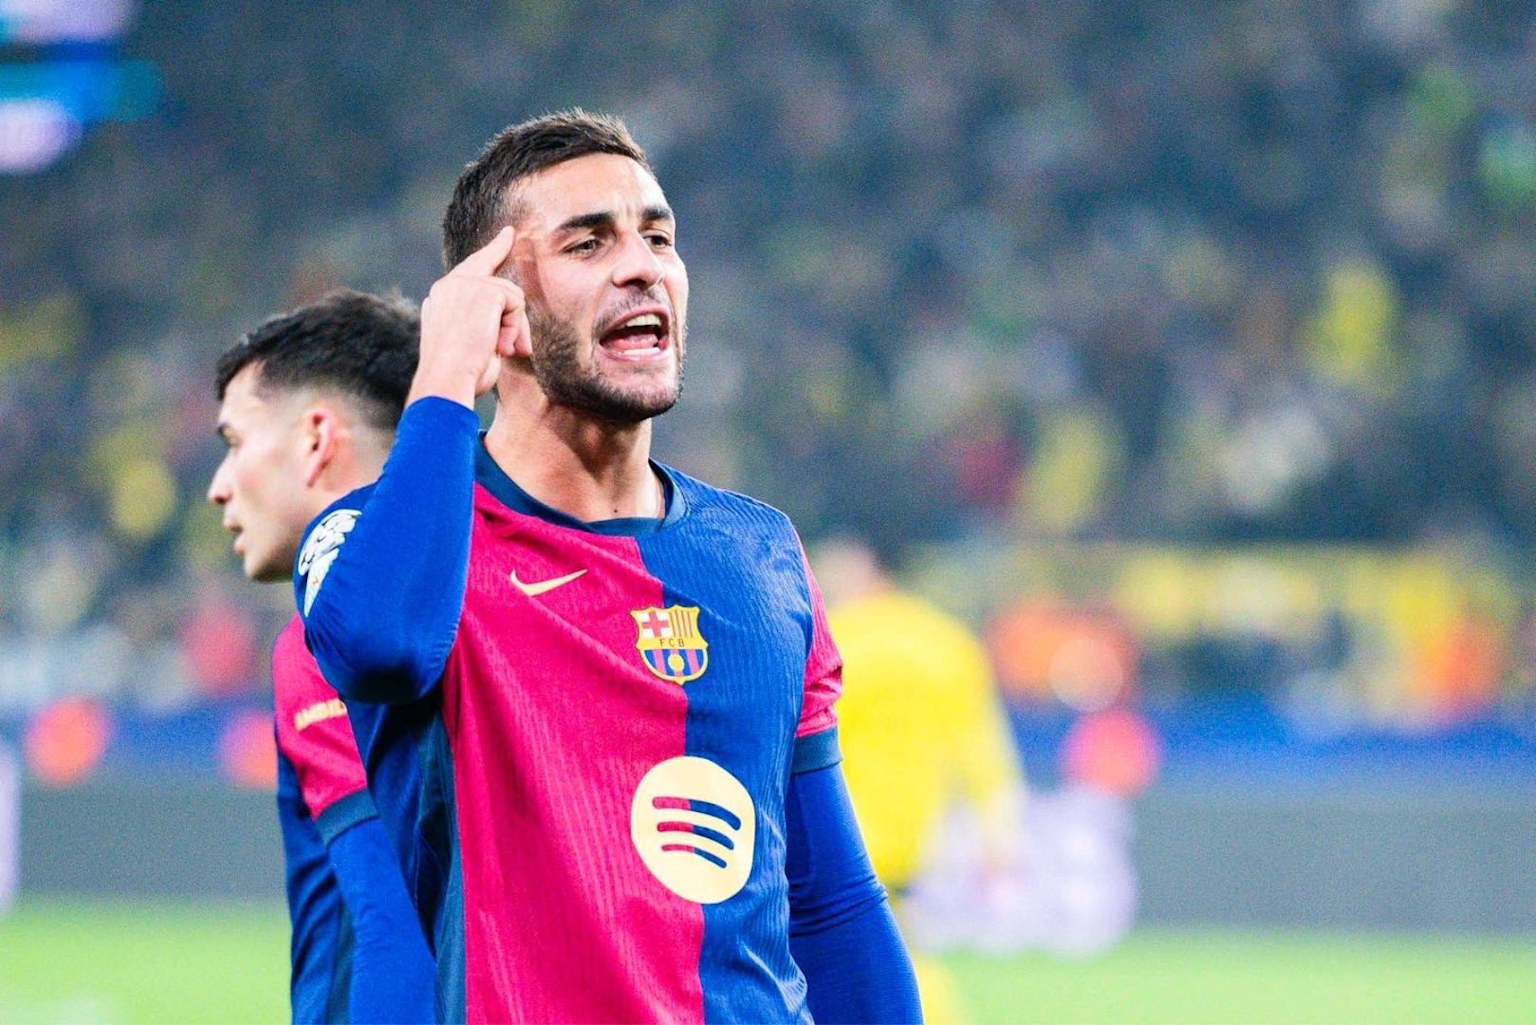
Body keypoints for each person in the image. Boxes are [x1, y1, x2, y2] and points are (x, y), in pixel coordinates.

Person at [294, 110, 922, 1022]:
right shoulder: (386, 540)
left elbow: (832, 905)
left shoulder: (760, 555)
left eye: (658, 237)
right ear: (495, 312)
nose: (642, 266)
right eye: (588, 243)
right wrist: (442, 379)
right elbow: (379, 646)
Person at [207, 290, 435, 1023]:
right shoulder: (475, 589)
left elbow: (395, 923)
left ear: (316, 439)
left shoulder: (335, 630)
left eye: (234, 442)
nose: (218, 488)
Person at [817, 537, 1027, 1022]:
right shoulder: (946, 642)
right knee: (894, 945)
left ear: (866, 566)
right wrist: (999, 829)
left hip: (837, 829)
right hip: (911, 835)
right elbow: (981, 748)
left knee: (855, 957)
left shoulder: (831, 635)